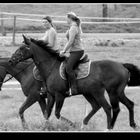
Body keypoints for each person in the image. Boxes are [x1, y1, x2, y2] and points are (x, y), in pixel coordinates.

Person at [60, 12, 84, 96]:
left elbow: (70, 41)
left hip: (77, 51)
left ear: (70, 18)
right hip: (74, 50)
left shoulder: (73, 27)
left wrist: (64, 51)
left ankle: (74, 89)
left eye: (66, 18)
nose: (65, 20)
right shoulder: (72, 27)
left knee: (68, 68)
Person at [38, 16, 58, 95]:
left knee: (41, 68)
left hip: (53, 54)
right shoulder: (47, 31)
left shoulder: (52, 31)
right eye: (43, 22)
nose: (44, 24)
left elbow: (51, 44)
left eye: (46, 22)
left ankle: (45, 87)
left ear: (50, 22)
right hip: (48, 54)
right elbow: (42, 40)